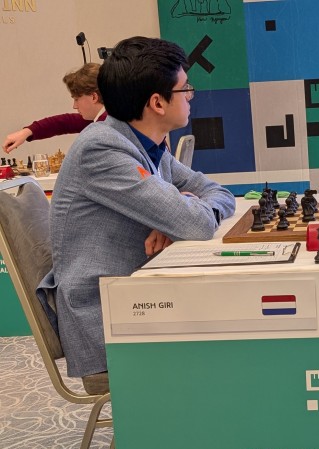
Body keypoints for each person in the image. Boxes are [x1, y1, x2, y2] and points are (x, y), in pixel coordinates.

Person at [37, 36, 236, 378]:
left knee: (237, 322)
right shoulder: (102, 149)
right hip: (107, 315)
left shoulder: (145, 144)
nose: (190, 96)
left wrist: (177, 212)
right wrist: (181, 210)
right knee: (235, 336)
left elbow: (218, 192)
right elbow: (197, 225)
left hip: (139, 296)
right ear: (157, 102)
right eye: (185, 89)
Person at [2, 63, 107, 154]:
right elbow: (63, 123)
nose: (74, 106)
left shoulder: (103, 127)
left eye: (76, 99)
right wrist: (27, 132)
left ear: (94, 97)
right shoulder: (103, 118)